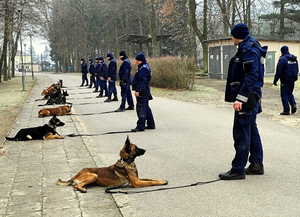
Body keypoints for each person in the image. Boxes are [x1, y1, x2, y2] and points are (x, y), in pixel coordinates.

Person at [219, 23, 268, 180]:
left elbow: (251, 75)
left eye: (231, 35)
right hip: (252, 95)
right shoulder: (251, 47)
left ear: (235, 35)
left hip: (247, 97)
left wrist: (241, 97)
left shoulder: (247, 50)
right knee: (251, 130)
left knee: (241, 131)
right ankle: (256, 164)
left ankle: (238, 169)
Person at [131, 53, 155, 132]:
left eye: (137, 60)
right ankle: (151, 124)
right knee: (146, 107)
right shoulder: (143, 67)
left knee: (141, 108)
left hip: (142, 90)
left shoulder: (143, 68)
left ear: (141, 60)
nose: (136, 62)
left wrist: (138, 90)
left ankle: (141, 126)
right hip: (145, 89)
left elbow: (142, 81)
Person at [273, 46, 299, 115]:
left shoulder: (283, 59)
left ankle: (286, 110)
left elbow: (279, 71)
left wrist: (275, 80)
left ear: (282, 51)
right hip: (292, 79)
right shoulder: (294, 58)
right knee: (290, 93)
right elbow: (297, 69)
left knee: (284, 94)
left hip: (285, 80)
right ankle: (293, 104)